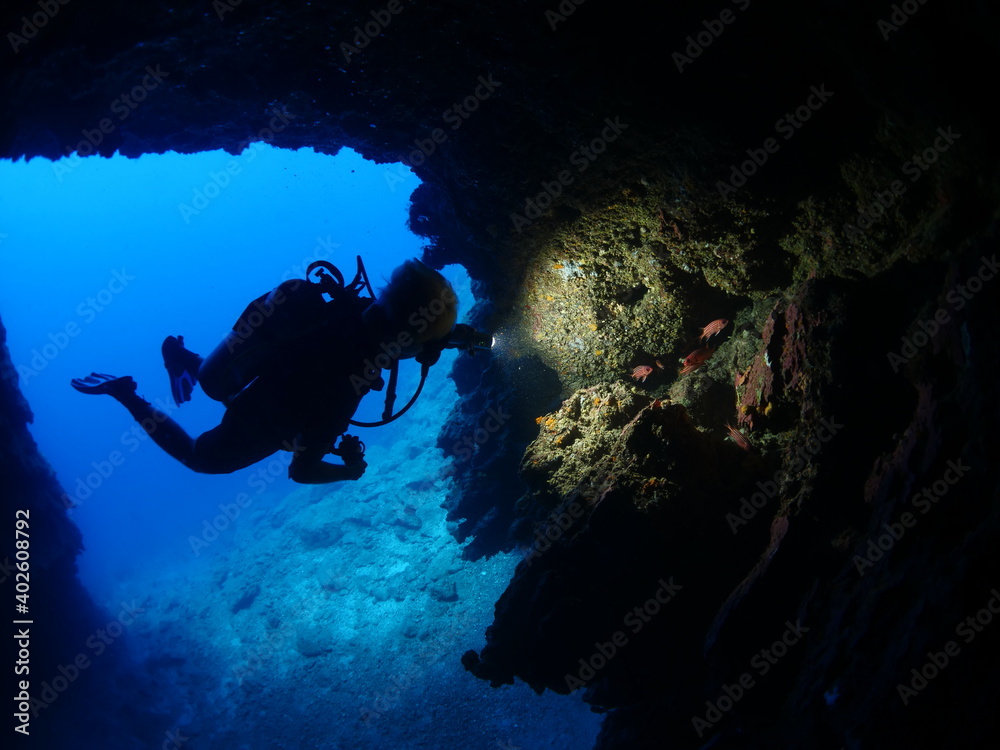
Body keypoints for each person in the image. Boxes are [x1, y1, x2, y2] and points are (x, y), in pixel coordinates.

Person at [71, 258, 468, 484]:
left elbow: (402, 322)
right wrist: (352, 471)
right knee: (202, 459)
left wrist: (445, 336)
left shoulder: (353, 307)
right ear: (407, 340)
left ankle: (182, 355)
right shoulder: (351, 382)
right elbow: (303, 471)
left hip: (259, 374)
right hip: (264, 417)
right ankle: (125, 394)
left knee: (217, 384)